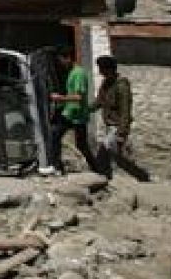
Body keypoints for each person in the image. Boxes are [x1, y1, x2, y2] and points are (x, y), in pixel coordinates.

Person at [49, 47, 106, 176]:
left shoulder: (78, 73)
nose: (61, 64)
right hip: (73, 113)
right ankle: (96, 169)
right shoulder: (73, 72)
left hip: (74, 114)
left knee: (55, 136)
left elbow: (78, 97)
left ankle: (56, 167)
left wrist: (60, 98)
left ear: (68, 58)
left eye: (61, 61)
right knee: (81, 145)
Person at [95, 55, 150, 181]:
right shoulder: (106, 84)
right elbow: (99, 101)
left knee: (103, 151)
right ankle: (142, 176)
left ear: (109, 69)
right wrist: (86, 110)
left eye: (102, 69)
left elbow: (126, 111)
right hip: (109, 126)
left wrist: (121, 132)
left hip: (118, 127)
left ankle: (102, 177)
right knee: (118, 158)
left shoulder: (122, 86)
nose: (100, 72)